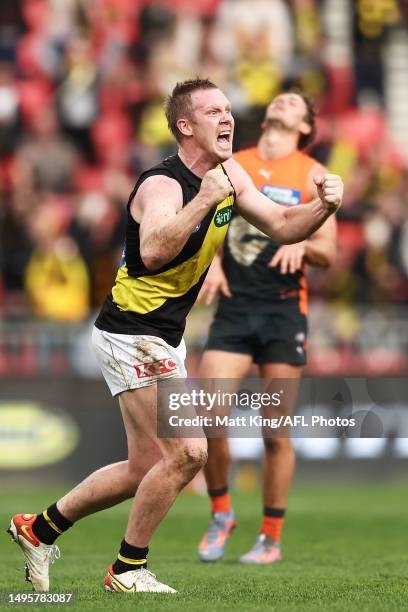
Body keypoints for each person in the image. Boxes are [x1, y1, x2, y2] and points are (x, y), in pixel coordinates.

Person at [8, 79, 343, 594]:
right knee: (189, 452)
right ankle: (127, 569)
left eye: (229, 110)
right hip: (132, 332)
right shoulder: (161, 185)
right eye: (214, 112)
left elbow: (279, 222)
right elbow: (157, 250)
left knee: (143, 464)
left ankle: (40, 528)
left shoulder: (230, 174)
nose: (228, 119)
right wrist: (205, 198)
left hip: (162, 336)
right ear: (186, 127)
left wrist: (324, 207)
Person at [197, 89, 337, 565]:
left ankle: (271, 538)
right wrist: (209, 262)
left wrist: (307, 247)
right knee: (210, 416)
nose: (280, 102)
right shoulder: (235, 163)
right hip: (234, 309)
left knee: (275, 431)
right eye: (278, 98)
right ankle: (221, 513)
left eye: (294, 102)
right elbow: (210, 222)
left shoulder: (313, 174)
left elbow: (329, 250)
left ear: (305, 126)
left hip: (282, 311)